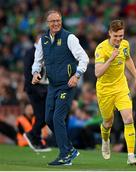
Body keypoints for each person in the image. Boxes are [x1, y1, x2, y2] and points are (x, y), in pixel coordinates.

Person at [31, 10, 89, 166]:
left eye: (58, 20)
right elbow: (38, 61)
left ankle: (65, 155)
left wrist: (76, 75)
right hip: (52, 85)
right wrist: (35, 73)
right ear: (47, 23)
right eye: (52, 21)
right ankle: (70, 149)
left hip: (67, 85)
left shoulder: (69, 38)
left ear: (61, 21)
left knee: (57, 118)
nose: (56, 23)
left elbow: (84, 58)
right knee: (48, 119)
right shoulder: (43, 40)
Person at [95, 20, 136, 165]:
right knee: (108, 122)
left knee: (128, 119)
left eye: (121, 36)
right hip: (105, 91)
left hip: (121, 88)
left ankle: (131, 156)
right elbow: (97, 73)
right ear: (109, 33)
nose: (118, 39)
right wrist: (110, 59)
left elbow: (128, 59)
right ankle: (105, 140)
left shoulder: (125, 45)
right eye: (116, 36)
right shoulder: (101, 48)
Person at [23, 34, 51, 152]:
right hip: (35, 89)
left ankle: (36, 137)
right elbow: (27, 73)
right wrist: (36, 88)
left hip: (45, 88)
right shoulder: (31, 52)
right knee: (42, 116)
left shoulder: (47, 52)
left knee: (46, 116)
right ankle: (33, 135)